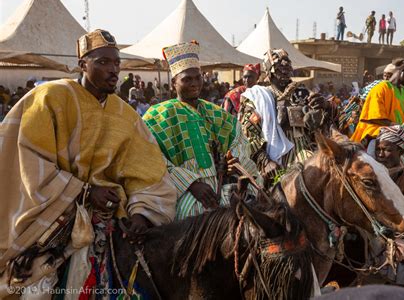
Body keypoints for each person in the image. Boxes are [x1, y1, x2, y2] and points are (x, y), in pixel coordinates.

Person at [0, 29, 177, 297]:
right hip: (51, 216)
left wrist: (142, 212)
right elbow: (28, 159)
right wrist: (84, 191)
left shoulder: (126, 115)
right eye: (103, 62)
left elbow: (149, 171)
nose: (113, 70)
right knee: (36, 289)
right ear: (82, 64)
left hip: (109, 219)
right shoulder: (51, 97)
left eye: (117, 63)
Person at [143, 41, 260, 220]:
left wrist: (232, 165)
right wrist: (192, 184)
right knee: (191, 216)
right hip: (183, 191)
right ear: (174, 83)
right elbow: (151, 157)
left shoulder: (216, 113)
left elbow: (238, 143)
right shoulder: (157, 116)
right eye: (187, 79)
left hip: (223, 186)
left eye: (198, 77)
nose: (194, 83)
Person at [239, 49, 323, 184]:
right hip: (274, 158)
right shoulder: (259, 97)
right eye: (279, 68)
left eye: (287, 67)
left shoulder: (302, 93)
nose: (285, 72)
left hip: (305, 150)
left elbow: (320, 125)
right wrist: (264, 161)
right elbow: (249, 134)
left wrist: (322, 107)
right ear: (269, 72)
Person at [351, 58, 404, 156]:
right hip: (376, 134)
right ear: (402, 72)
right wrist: (397, 126)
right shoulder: (380, 88)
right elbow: (374, 118)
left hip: (399, 135)